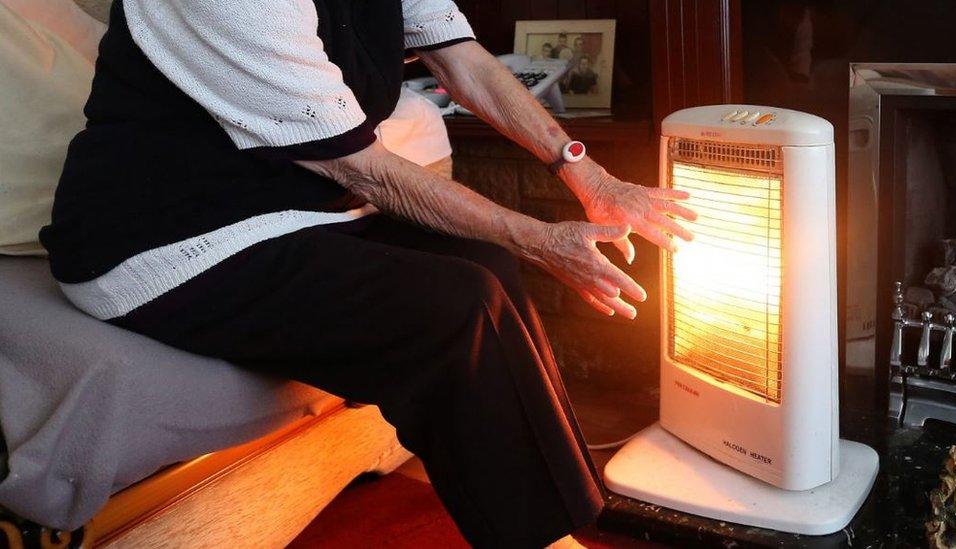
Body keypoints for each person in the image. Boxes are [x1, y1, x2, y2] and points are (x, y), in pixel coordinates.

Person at [39, 0, 695, 547]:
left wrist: (589, 175)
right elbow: (363, 168)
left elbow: (459, 57)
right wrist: (541, 238)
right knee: (455, 304)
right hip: (158, 239)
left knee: (484, 262)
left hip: (285, 204)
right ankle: (543, 537)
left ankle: (562, 523)